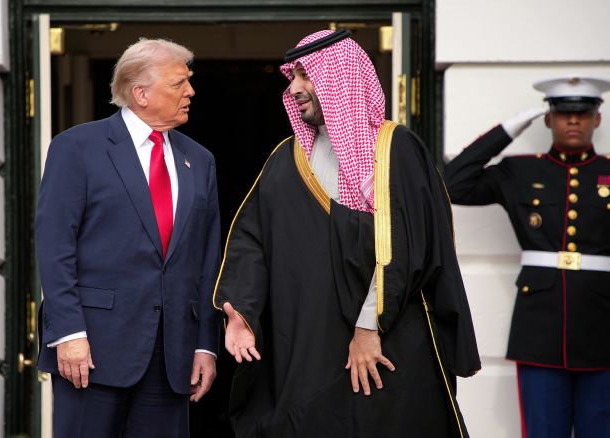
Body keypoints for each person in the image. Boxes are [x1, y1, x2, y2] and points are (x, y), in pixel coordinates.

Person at [213, 30, 481, 437]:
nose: (295, 88)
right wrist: (242, 313)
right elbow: (253, 241)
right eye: (293, 78)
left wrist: (367, 329)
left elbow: (407, 248)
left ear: (341, 77)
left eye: (306, 76)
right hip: (307, 344)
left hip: (386, 343)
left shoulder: (395, 150)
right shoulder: (286, 160)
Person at [35, 38, 220, 438]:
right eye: (179, 83)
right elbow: (55, 248)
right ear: (140, 93)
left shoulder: (199, 160)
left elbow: (206, 259)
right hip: (91, 350)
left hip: (171, 355)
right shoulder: (77, 147)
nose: (190, 92)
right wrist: (68, 334)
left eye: (188, 82)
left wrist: (205, 343)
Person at [444, 75, 610, 438]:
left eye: (582, 114)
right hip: (540, 327)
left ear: (597, 118)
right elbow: (452, 183)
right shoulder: (520, 171)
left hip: (603, 326)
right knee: (542, 430)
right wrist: (506, 129)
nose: (573, 121)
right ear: (549, 119)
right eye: (564, 113)